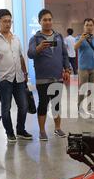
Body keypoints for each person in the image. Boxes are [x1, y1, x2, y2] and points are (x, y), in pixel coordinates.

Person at [0, 9, 32, 143]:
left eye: (9, 21)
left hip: (19, 78)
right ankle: (10, 133)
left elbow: (21, 56)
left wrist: (25, 72)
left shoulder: (16, 38)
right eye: (4, 21)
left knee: (23, 106)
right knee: (6, 108)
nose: (7, 24)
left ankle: (20, 130)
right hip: (4, 79)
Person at [27, 9, 71, 141]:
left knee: (56, 104)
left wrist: (67, 69)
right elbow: (30, 54)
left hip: (57, 77)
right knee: (43, 104)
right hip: (43, 78)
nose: (47, 22)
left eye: (49, 19)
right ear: (40, 22)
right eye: (44, 20)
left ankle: (57, 128)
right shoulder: (35, 38)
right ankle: (42, 131)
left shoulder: (58, 36)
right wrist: (39, 47)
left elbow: (64, 54)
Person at [74, 18, 94, 118]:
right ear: (84, 26)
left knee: (91, 89)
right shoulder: (78, 37)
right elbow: (75, 48)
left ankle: (90, 108)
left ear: (93, 26)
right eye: (87, 25)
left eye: (91, 25)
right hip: (83, 68)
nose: (89, 27)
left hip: (93, 68)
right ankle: (80, 107)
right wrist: (81, 40)